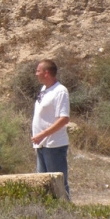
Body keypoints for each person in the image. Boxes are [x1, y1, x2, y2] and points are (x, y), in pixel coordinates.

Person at [32, 59, 71, 199]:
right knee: (42, 184)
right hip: (42, 144)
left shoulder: (60, 91)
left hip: (54, 144)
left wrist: (43, 134)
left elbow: (64, 119)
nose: (36, 74)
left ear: (46, 73)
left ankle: (66, 213)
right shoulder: (44, 90)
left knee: (58, 184)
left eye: (38, 71)